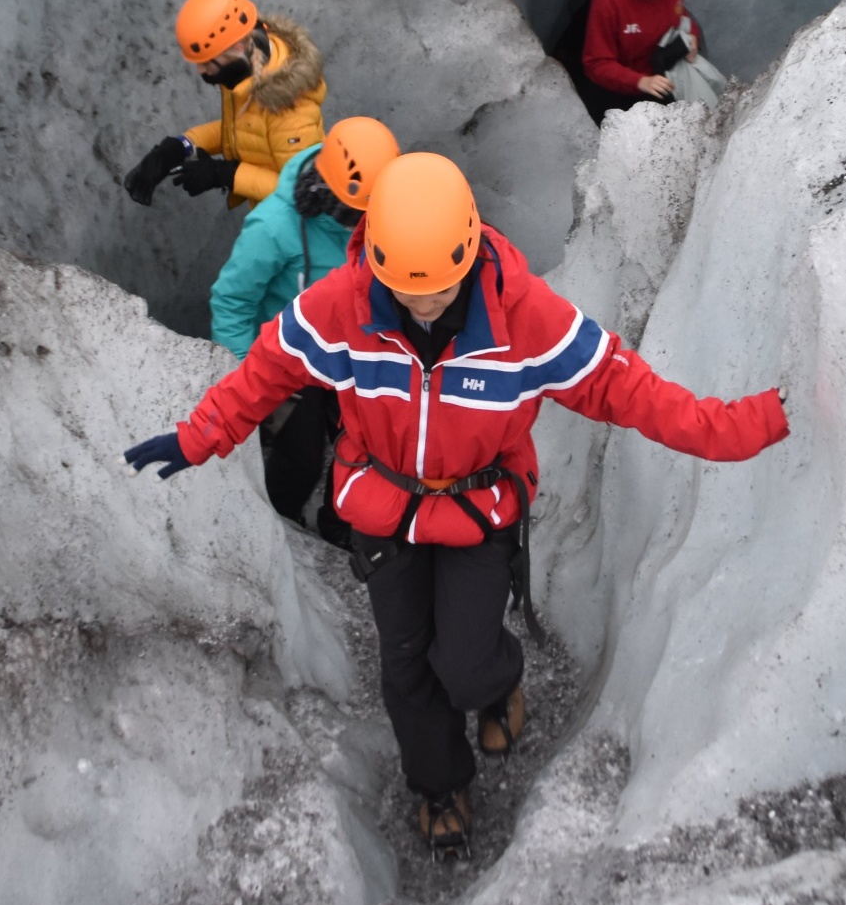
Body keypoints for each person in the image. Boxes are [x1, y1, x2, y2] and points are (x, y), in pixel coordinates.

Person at [123, 153, 788, 856]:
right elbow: (264, 372)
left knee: (464, 664)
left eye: (439, 288)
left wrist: (742, 426)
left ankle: (497, 685)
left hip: (478, 511)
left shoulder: (525, 318)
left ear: (470, 251)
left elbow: (628, 389)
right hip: (380, 510)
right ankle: (440, 785)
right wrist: (199, 437)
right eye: (407, 290)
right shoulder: (341, 307)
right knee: (405, 667)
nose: (425, 304)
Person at [209, 117, 401, 533]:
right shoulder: (275, 227)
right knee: (300, 458)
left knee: (371, 447)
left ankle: (338, 525)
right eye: (360, 213)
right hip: (292, 358)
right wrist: (248, 376)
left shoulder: (376, 210)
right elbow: (233, 300)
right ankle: (281, 525)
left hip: (355, 352)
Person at [122, 0, 328, 209]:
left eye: (206, 62)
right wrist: (181, 147)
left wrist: (225, 175)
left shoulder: (291, 111)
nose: (200, 71)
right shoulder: (246, 71)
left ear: (237, 48)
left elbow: (302, 191)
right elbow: (247, 130)